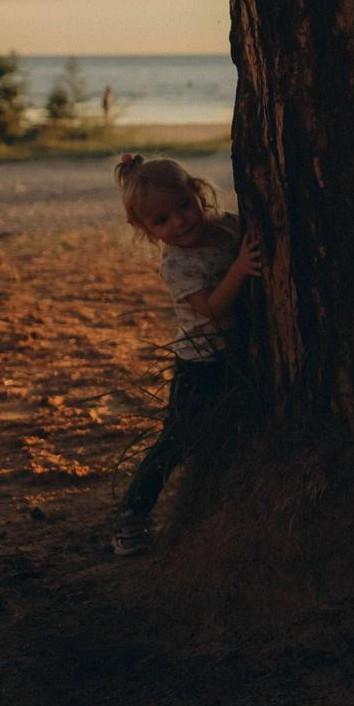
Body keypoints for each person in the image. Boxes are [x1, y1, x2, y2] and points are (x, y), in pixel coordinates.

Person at [109, 153, 262, 556]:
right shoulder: (178, 263)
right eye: (162, 220)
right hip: (199, 364)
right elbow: (211, 308)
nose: (179, 222)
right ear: (144, 228)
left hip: (235, 355)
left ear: (198, 193)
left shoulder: (227, 227)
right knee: (176, 440)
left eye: (183, 207)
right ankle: (131, 516)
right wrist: (241, 269)